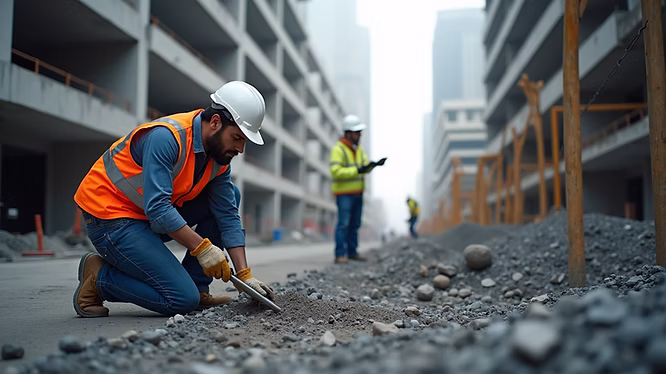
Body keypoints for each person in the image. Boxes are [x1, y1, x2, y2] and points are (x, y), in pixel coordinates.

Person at [72, 81, 274, 318]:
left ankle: (198, 289)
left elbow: (227, 215)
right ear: (216, 123)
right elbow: (158, 209)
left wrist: (244, 274)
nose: (240, 149)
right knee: (180, 300)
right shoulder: (166, 137)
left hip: (146, 217)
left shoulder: (219, 159)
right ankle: (99, 278)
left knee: (231, 195)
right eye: (237, 138)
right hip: (111, 219)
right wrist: (203, 248)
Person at [329, 115, 386, 263]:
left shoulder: (358, 150)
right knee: (343, 225)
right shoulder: (338, 149)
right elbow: (336, 171)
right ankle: (340, 254)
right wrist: (358, 170)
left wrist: (373, 165)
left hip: (357, 194)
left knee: (355, 225)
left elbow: (363, 167)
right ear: (348, 133)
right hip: (344, 194)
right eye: (357, 132)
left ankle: (352, 252)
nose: (359, 134)